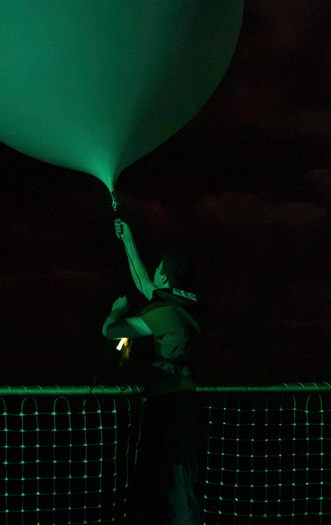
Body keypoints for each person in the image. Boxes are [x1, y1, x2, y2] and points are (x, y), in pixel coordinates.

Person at [103, 219, 203, 525]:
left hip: (165, 406)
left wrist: (116, 311)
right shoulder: (185, 309)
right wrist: (128, 238)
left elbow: (111, 332)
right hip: (186, 402)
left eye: (159, 269)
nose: (154, 274)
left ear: (166, 279)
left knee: (163, 477)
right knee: (182, 476)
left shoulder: (164, 315)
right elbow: (145, 283)